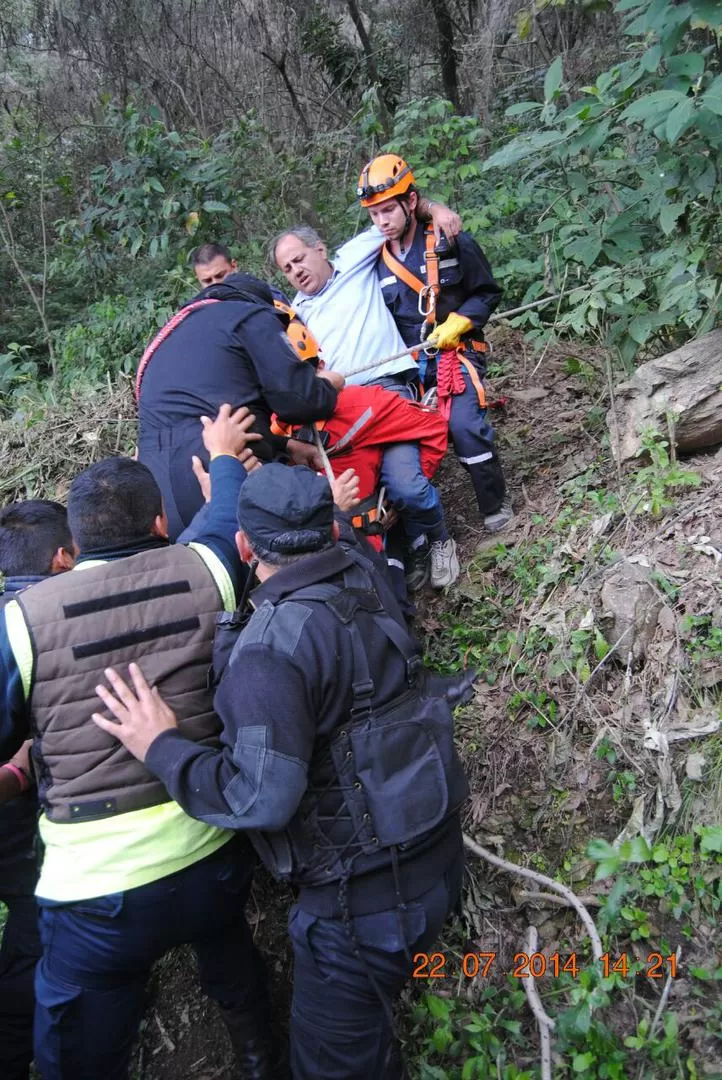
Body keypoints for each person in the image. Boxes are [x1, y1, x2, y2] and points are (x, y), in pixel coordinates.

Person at [91, 464, 470, 1080]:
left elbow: (260, 798)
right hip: (435, 860)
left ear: (245, 547)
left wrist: (159, 745)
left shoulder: (272, 648)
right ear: (329, 524)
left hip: (360, 910)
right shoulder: (367, 571)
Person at [0, 408, 274, 1080]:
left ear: (76, 543)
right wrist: (225, 452)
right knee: (228, 949)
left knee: (81, 1052)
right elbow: (225, 511)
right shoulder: (204, 568)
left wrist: (21, 771)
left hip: (95, 896)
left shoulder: (22, 622)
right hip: (212, 852)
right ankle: (262, 1052)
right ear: (159, 524)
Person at [271, 211, 462, 590]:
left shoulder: (352, 260)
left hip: (387, 389)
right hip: (342, 411)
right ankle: (405, 552)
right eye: (287, 267)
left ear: (321, 250)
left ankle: (438, 538)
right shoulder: (294, 316)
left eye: (300, 258)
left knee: (405, 484)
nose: (296, 270)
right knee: (355, 501)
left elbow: (395, 215)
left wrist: (436, 210)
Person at [358, 153, 512, 533]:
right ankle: (420, 537)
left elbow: (487, 292)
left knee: (462, 424)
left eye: (389, 210)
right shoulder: (372, 260)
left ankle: (494, 504)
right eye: (374, 214)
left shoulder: (450, 241)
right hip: (406, 368)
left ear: (411, 202)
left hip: (455, 353)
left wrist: (461, 321)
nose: (382, 221)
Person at [136, 269, 339, 540]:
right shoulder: (251, 315)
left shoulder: (169, 336)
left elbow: (197, 414)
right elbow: (302, 401)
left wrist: (285, 445)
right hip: (222, 478)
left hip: (156, 502)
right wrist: (329, 383)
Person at [0, 500, 76, 1080]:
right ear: (62, 557)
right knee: (31, 944)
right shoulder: (51, 622)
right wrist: (19, 774)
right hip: (21, 822)